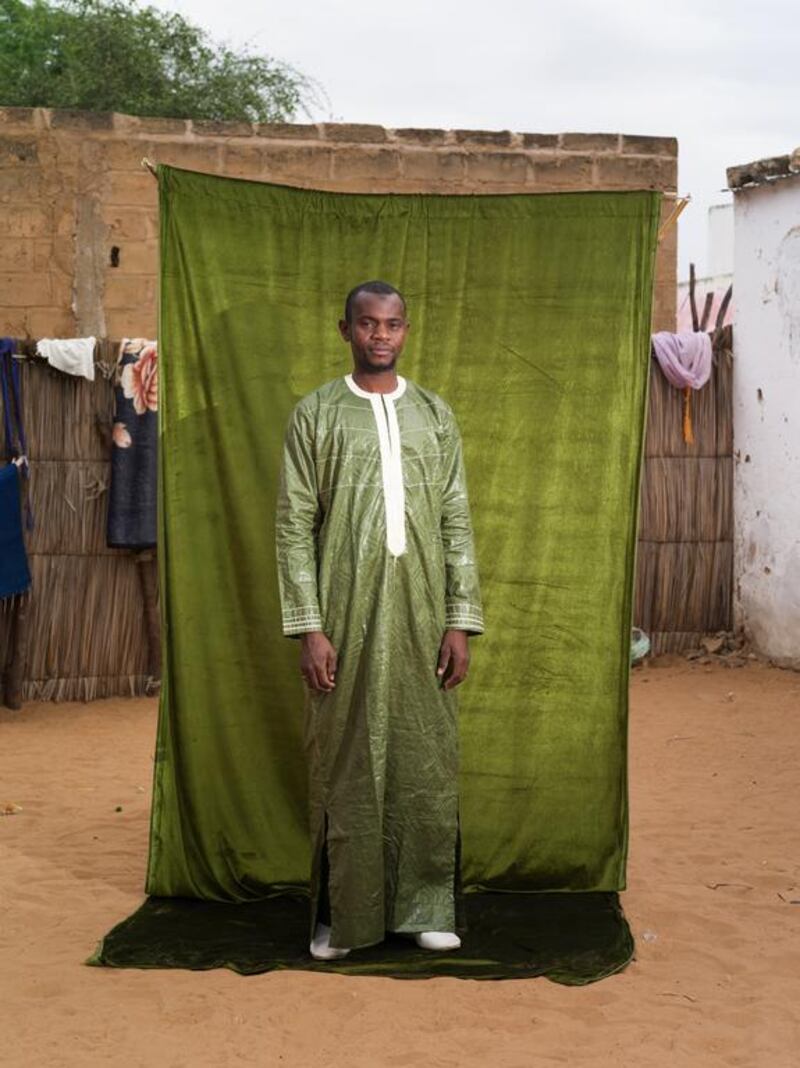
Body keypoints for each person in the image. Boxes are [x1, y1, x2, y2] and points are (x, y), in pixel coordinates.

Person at [275, 280, 484, 960]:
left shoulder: (434, 415)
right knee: (347, 760)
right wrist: (310, 626)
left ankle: (426, 907)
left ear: (407, 329)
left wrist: (459, 620)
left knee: (426, 754)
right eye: (368, 324)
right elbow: (292, 526)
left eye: (392, 324)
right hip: (344, 610)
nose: (381, 336)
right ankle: (346, 916)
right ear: (345, 330)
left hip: (425, 610)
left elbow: (456, 519)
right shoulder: (316, 415)